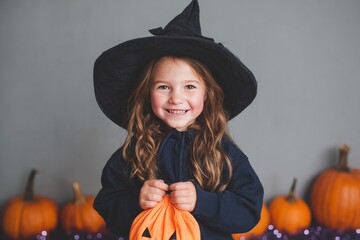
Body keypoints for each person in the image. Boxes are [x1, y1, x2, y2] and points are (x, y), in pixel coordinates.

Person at [93, 0, 263, 239]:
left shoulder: (222, 152)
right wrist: (137, 201)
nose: (176, 98)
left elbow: (248, 210)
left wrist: (203, 202)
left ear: (207, 93)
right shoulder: (135, 150)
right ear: (146, 92)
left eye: (190, 87)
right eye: (164, 87)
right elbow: (107, 205)